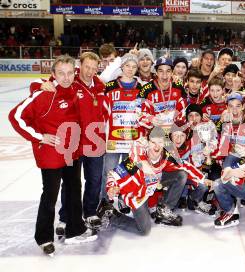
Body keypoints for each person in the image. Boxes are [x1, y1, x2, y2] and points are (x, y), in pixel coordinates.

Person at [9, 55, 97, 256]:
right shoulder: (43, 94)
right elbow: (15, 116)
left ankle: (75, 230)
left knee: (74, 190)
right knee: (50, 195)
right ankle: (44, 238)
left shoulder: (75, 89)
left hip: (71, 152)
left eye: (69, 73)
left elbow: (96, 82)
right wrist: (38, 137)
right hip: (51, 155)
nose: (66, 78)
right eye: (61, 73)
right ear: (53, 74)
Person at [103, 128, 208, 227]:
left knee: (181, 174)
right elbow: (115, 174)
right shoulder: (136, 158)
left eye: (160, 143)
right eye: (153, 143)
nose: (157, 147)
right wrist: (112, 188)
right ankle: (117, 214)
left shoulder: (166, 155)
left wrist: (202, 179)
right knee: (143, 226)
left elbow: (183, 165)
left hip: (153, 189)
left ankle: (163, 210)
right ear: (148, 143)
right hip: (140, 193)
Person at [100, 53, 144, 213]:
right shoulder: (110, 86)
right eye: (127, 66)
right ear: (122, 67)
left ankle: (124, 199)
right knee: (109, 171)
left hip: (132, 140)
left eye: (134, 67)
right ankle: (105, 202)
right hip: (113, 139)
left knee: (128, 172)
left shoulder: (141, 88)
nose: (130, 70)